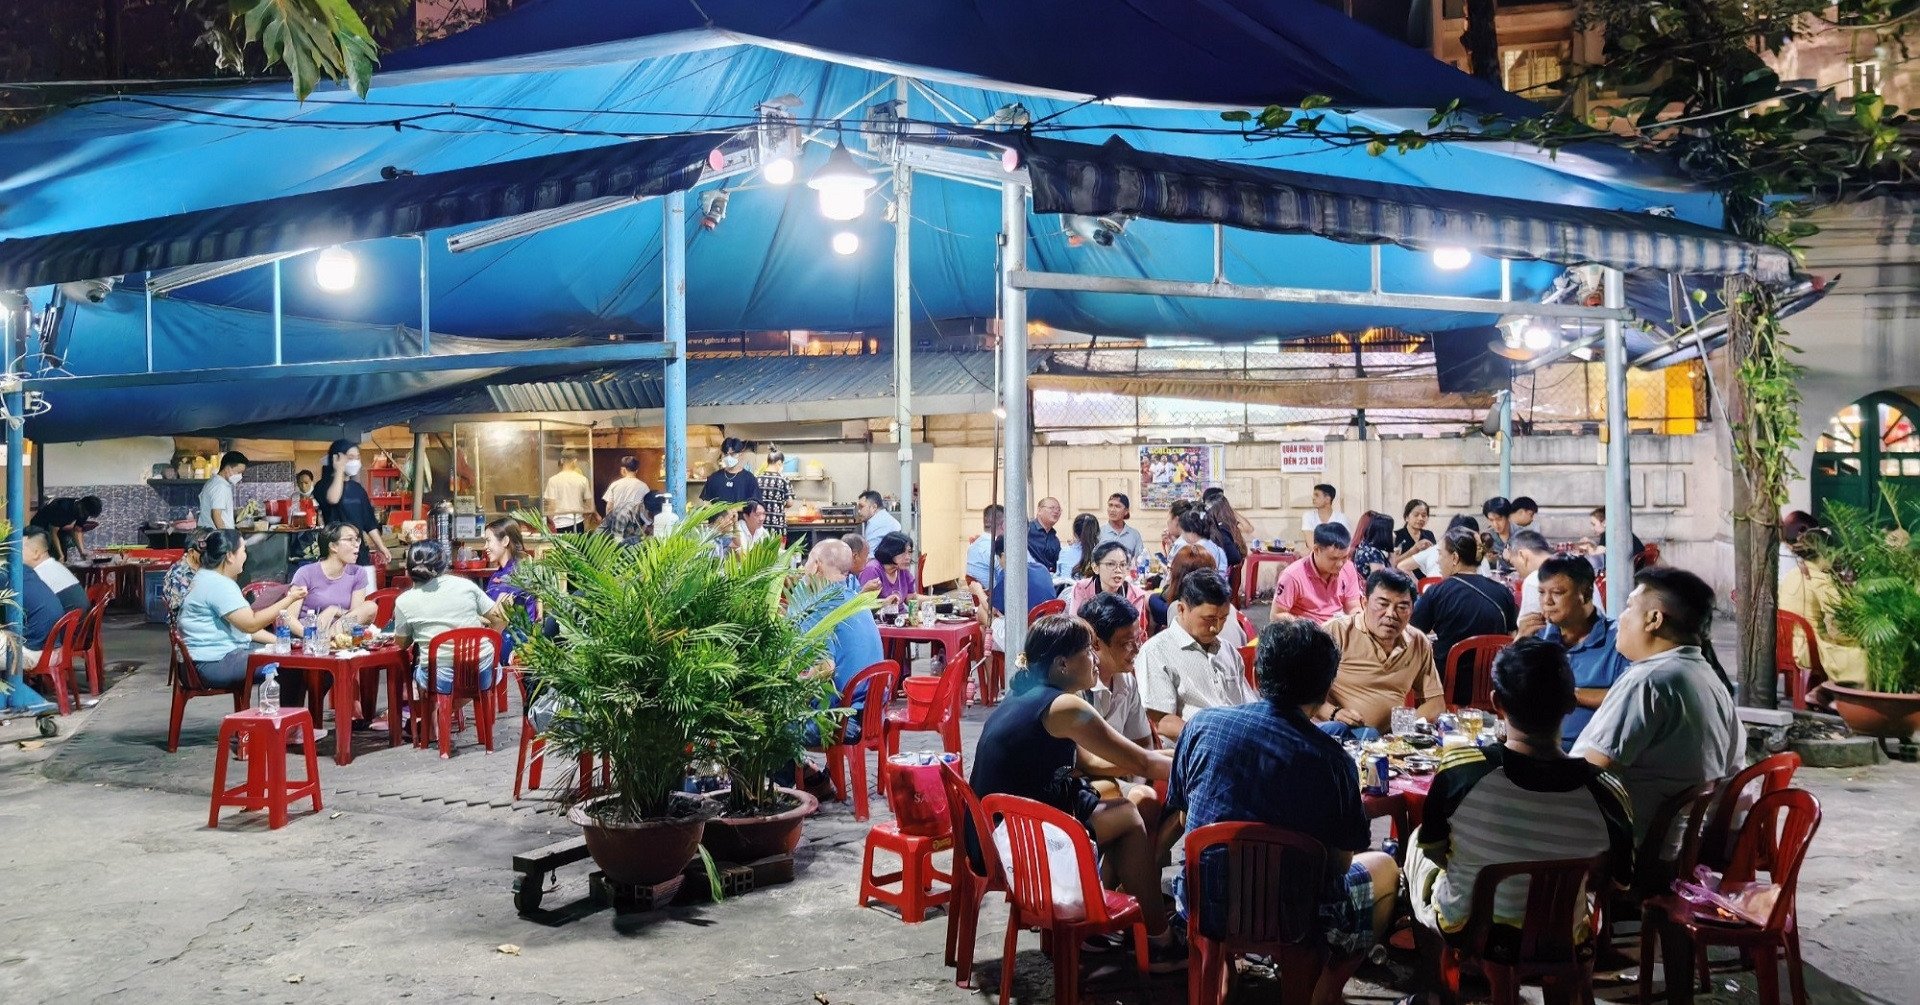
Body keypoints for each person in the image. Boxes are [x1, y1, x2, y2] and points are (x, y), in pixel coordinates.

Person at [1168, 618, 1400, 999]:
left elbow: (1183, 819)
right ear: (1325, 689)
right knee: (1385, 867)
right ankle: (1324, 989)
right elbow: (1341, 864)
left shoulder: (1202, 727)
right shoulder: (1332, 760)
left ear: (1257, 676)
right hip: (1295, 916)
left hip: (1204, 901)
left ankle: (1221, 971)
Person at [1404, 638, 1635, 1005]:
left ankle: (1436, 988)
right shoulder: (1607, 792)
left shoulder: (1463, 772)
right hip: (1564, 934)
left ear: (1496, 703)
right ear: (1571, 703)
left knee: (1416, 845)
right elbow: (1618, 881)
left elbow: (1435, 849)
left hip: (1472, 930)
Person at [968, 615, 1183, 972]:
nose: (1096, 657)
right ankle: (1159, 940)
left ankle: (1093, 921)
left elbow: (1094, 761)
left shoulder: (1026, 695)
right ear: (1062, 663)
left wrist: (1169, 757)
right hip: (1014, 843)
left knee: (1136, 801)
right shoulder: (1065, 707)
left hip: (1003, 826)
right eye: (1089, 650)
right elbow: (1140, 762)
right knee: (1129, 817)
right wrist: (1200, 762)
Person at [1573, 567, 1742, 847]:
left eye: (1628, 608)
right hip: (1677, 842)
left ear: (1653, 619)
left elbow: (1588, 771)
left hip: (1634, 845)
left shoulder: (1648, 681)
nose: (1621, 619)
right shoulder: (1706, 675)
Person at [177, 531, 312, 719]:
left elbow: (244, 628)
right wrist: (290, 599)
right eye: (243, 551)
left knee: (288, 655)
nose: (246, 556)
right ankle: (282, 728)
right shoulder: (218, 585)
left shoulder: (206, 577)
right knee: (291, 664)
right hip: (212, 664)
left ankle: (284, 725)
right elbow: (251, 624)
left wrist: (280, 642)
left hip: (208, 659)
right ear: (230, 556)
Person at [1319, 569, 1444, 737]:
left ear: (1412, 609)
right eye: (1383, 604)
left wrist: (1399, 729)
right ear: (1364, 603)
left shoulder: (1418, 642)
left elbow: (1436, 704)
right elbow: (1300, 693)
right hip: (1337, 736)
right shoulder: (1336, 632)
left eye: (1402, 607)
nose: (1391, 614)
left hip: (1389, 742)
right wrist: (1334, 713)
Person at [1139, 569, 1255, 743]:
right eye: (1209, 619)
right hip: (1198, 750)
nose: (1216, 628)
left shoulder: (1228, 650)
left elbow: (1248, 703)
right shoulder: (1156, 652)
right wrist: (1217, 737)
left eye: (1223, 618)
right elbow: (1162, 722)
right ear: (1182, 609)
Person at [391, 540, 507, 705]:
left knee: (419, 671)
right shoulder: (466, 586)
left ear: (408, 568)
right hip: (482, 673)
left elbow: (402, 643)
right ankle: (447, 712)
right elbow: (501, 619)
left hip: (441, 680)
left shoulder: (404, 601)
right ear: (444, 564)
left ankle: (435, 719)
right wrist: (488, 641)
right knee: (468, 676)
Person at [1412, 526, 1517, 705]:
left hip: (1450, 687)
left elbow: (1412, 634)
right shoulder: (1503, 592)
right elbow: (1512, 637)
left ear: (1454, 558)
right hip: (1494, 685)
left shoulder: (1437, 593)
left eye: (1440, 554)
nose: (1438, 561)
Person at [1532, 555, 1629, 748]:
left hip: (1589, 755)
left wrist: (1569, 695)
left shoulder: (1618, 641)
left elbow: (1629, 698)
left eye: (1557, 593)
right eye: (1541, 593)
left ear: (1585, 593)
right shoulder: (1539, 636)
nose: (1547, 601)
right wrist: (1519, 644)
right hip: (1537, 748)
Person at [796, 539, 885, 747]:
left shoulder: (820, 607)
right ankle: (811, 775)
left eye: (807, 562)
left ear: (816, 566)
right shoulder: (855, 601)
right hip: (870, 713)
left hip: (840, 719)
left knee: (761, 727)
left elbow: (824, 669)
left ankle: (810, 777)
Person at [1777, 510, 1868, 687]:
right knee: (1863, 656)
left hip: (1785, 646)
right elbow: (1838, 619)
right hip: (1808, 649)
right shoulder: (1821, 578)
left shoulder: (1793, 575)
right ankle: (1830, 694)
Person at [289, 522, 377, 632]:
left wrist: (335, 610)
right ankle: (323, 639)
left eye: (357, 539)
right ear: (333, 546)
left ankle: (329, 638)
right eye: (350, 540)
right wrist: (309, 636)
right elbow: (289, 618)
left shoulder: (358, 573)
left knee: (370, 607)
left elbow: (355, 615)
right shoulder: (305, 573)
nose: (356, 544)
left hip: (340, 631)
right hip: (309, 633)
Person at [317, 439, 391, 567]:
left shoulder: (357, 489)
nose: (355, 461)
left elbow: (369, 523)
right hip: (335, 554)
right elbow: (333, 499)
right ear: (336, 458)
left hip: (358, 552)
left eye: (357, 457)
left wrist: (381, 547)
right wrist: (339, 469)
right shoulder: (322, 486)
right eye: (350, 457)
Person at [1271, 522, 1363, 624]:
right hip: (1307, 634)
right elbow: (1276, 615)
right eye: (1334, 558)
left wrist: (1359, 619)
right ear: (1316, 550)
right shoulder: (1292, 576)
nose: (1340, 564)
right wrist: (1305, 627)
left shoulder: (1348, 568)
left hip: (1338, 629)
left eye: (1345, 557)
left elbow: (1353, 606)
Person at [1066, 541, 1150, 630]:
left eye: (1122, 565)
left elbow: (1135, 632)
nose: (1118, 570)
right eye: (1110, 564)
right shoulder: (1082, 588)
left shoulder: (1135, 595)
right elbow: (1075, 626)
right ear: (1095, 568)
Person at [21, 525, 85, 615]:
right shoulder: (56, 566)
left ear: (36, 552)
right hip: (79, 624)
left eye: (19, 549)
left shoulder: (38, 575)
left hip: (69, 626)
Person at [1399, 514, 1478, 580]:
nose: (1438, 560)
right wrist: (1419, 585)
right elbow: (1402, 566)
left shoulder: (1434, 549)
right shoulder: (1473, 554)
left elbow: (1402, 566)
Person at [30, 495, 102, 561]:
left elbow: (76, 531)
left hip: (58, 528)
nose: (84, 515)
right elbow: (53, 532)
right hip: (40, 526)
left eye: (87, 514)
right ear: (80, 504)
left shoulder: (83, 511)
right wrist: (60, 555)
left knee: (62, 556)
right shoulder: (63, 508)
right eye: (85, 512)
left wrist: (82, 551)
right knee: (50, 555)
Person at [162, 530, 211, 623]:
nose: (208, 556)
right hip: (187, 622)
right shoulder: (179, 573)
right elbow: (180, 608)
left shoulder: (202, 566)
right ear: (191, 552)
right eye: (203, 553)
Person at [1507, 529, 1554, 626]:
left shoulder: (1534, 580)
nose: (1518, 573)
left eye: (1514, 564)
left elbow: (1529, 631)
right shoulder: (1576, 567)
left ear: (1522, 555)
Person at [542, 449, 594, 533]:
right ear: (575, 461)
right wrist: (584, 520)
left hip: (559, 524)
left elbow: (551, 506)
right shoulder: (583, 479)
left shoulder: (553, 480)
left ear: (562, 461)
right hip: (577, 523)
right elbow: (589, 504)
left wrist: (550, 524)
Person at [857, 531, 917, 602]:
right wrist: (885, 602)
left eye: (909, 552)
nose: (908, 557)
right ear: (890, 551)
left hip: (901, 613)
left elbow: (911, 598)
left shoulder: (902, 569)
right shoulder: (872, 569)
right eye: (903, 552)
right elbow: (864, 604)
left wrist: (932, 599)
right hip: (881, 613)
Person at [1580, 506, 1646, 569]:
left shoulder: (1607, 534)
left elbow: (1596, 556)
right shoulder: (1616, 531)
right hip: (1635, 567)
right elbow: (1604, 550)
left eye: (1594, 524)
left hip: (1625, 573)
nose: (1592, 528)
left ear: (1604, 523)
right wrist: (1591, 544)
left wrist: (1587, 547)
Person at [700, 436, 760, 505]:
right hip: (719, 515)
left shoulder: (749, 478)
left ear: (740, 454)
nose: (729, 457)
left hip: (741, 515)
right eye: (726, 454)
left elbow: (754, 504)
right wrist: (721, 513)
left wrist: (736, 510)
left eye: (732, 454)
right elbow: (706, 502)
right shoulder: (714, 478)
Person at [197, 450, 249, 529]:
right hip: (216, 537)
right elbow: (216, 514)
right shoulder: (220, 486)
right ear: (227, 468)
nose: (240, 476)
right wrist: (225, 536)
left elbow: (220, 511)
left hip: (209, 534)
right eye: (239, 472)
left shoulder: (213, 481)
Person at [1170, 507, 1229, 572]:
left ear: (1191, 531)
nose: (1182, 536)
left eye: (1183, 532)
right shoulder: (1217, 549)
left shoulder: (1195, 551)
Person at [1300, 482, 1350, 549]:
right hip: (1315, 555)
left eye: (1317, 495)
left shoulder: (1341, 518)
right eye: (1314, 495)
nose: (1313, 498)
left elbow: (1344, 543)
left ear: (1327, 499)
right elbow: (1311, 544)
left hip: (1336, 556)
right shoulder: (1308, 516)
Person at [965, 504, 1005, 588]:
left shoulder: (973, 546)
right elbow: (1011, 579)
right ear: (1003, 525)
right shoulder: (995, 549)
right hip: (997, 598)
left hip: (982, 597)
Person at [602, 455, 650, 524]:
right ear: (636, 470)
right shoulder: (644, 486)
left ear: (623, 469)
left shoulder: (615, 485)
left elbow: (609, 507)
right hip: (635, 525)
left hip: (617, 523)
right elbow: (646, 509)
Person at [757, 447, 791, 539]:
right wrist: (779, 504)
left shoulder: (757, 478)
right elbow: (790, 503)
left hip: (759, 525)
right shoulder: (783, 479)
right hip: (777, 526)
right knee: (779, 553)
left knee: (760, 553)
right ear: (779, 462)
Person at [1099, 492, 1144, 559]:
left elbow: (1141, 560)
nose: (1112, 510)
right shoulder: (1099, 532)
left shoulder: (1134, 534)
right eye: (1110, 505)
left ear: (1126, 511)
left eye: (1117, 506)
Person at [1350, 511, 1394, 577]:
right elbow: (1383, 580)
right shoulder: (1373, 553)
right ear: (1384, 533)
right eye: (1391, 531)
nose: (1393, 534)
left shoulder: (1364, 546)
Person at [1393, 498, 1437, 563]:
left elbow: (1436, 559)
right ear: (1406, 517)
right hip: (1403, 573)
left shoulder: (1429, 534)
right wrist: (1413, 550)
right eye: (1416, 515)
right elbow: (1392, 564)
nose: (1420, 518)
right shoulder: (1395, 536)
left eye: (1424, 515)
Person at [1028, 496, 1064, 573]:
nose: (1056, 511)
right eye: (1052, 508)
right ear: (1039, 510)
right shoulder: (1027, 531)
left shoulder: (1055, 539)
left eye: (1058, 509)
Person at [1480, 496, 1513, 566]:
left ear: (1508, 516)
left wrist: (1513, 558)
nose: (1495, 524)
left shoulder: (1522, 536)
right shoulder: (1485, 537)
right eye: (1491, 520)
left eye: (1499, 519)